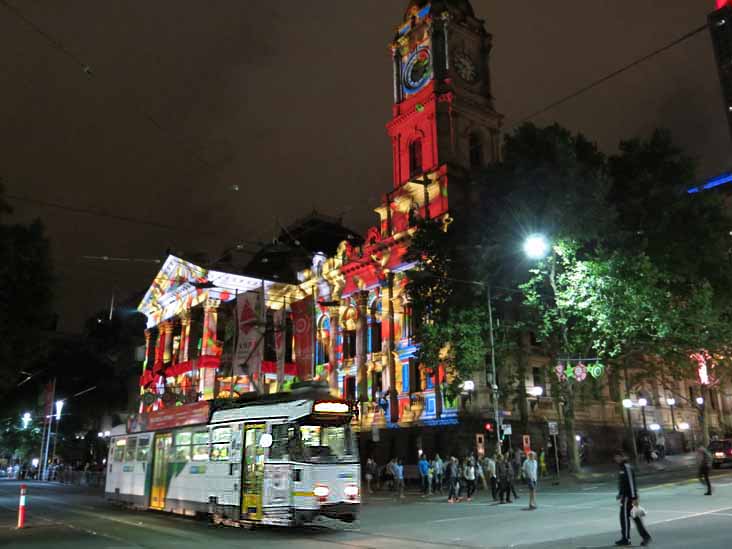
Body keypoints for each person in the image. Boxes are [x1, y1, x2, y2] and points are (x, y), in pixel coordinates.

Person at [614, 450, 652, 547]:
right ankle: (645, 536)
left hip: (629, 497)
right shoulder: (622, 467)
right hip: (626, 496)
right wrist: (620, 493)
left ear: (622, 457)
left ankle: (626, 539)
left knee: (624, 517)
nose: (616, 459)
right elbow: (623, 483)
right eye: (615, 457)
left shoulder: (626, 467)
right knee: (635, 517)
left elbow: (631, 483)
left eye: (617, 457)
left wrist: (633, 497)